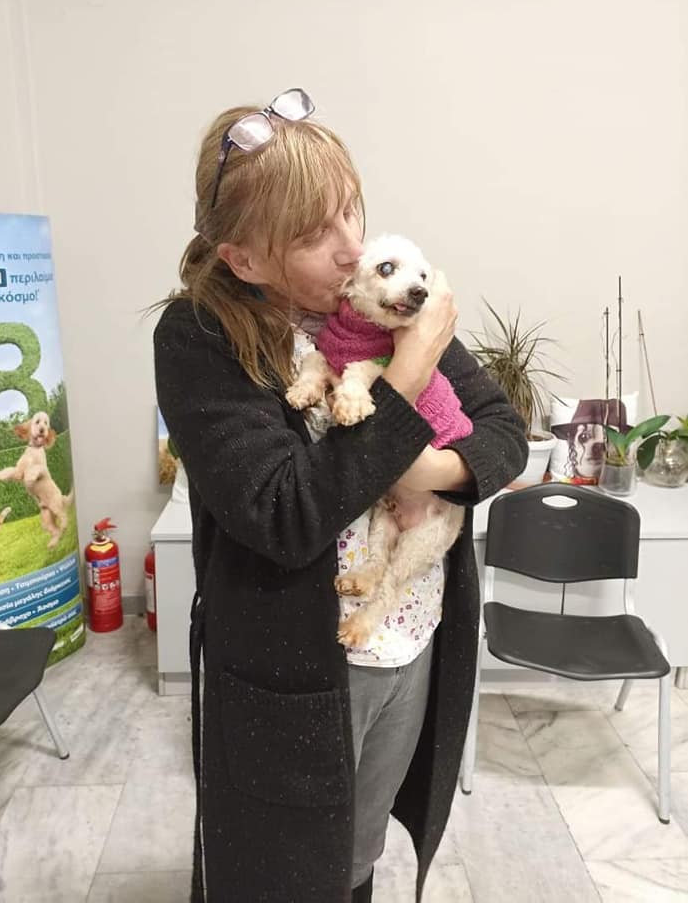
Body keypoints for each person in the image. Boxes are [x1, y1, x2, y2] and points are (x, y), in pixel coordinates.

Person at [153, 88, 528, 903]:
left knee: (357, 854)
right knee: (281, 871)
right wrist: (408, 372)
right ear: (243, 259)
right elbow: (283, 515)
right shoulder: (200, 338)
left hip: (411, 632)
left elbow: (502, 434)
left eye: (350, 210)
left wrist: (425, 472)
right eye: (311, 234)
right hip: (297, 665)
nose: (352, 248)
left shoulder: (378, 305)